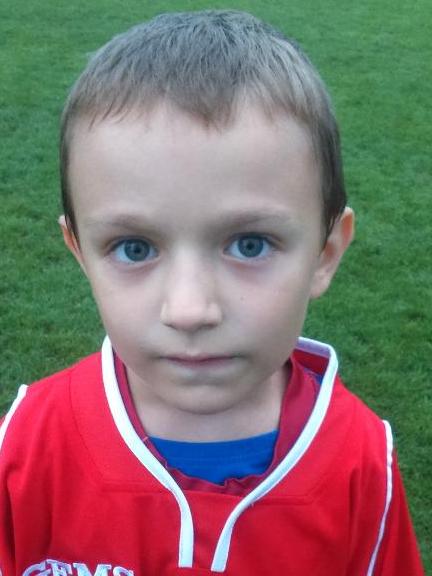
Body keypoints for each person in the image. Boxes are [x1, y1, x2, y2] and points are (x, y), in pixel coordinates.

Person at [0, 10, 424, 576]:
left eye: (250, 244)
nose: (190, 310)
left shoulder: (360, 459)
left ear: (325, 254)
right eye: (134, 248)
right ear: (80, 253)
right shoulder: (26, 444)